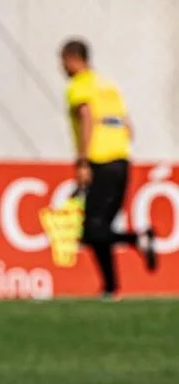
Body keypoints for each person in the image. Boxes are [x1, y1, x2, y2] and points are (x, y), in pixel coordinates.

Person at [60, 39, 157, 297]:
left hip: (100, 161)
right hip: (122, 160)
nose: (63, 68)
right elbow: (128, 127)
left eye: (64, 62)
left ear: (72, 59)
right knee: (98, 228)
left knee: (91, 230)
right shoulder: (108, 85)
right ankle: (110, 288)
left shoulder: (79, 86)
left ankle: (138, 239)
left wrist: (83, 161)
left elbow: (86, 116)